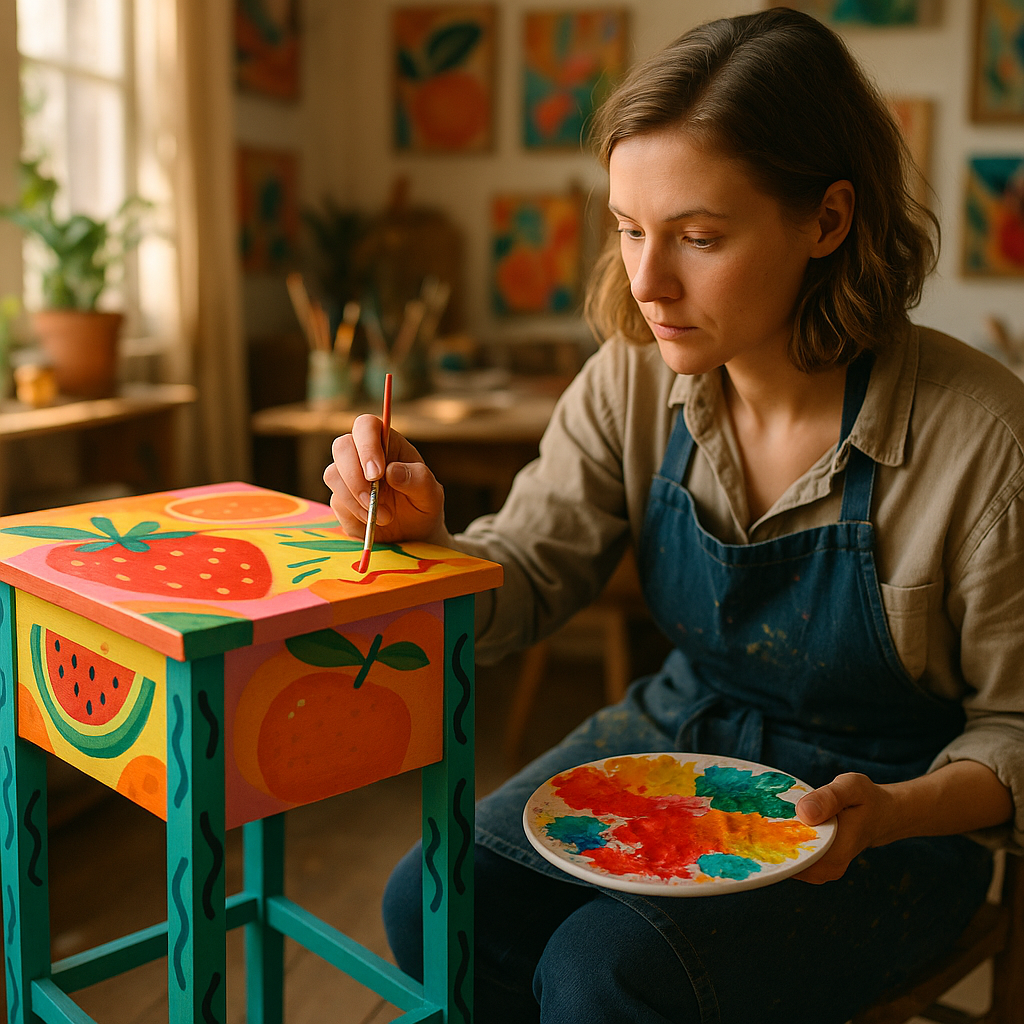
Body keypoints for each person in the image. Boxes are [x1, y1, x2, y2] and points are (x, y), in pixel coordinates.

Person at [324, 9, 1024, 1023]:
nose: (647, 284)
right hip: (679, 740)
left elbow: (1016, 726)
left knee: (600, 976)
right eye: (628, 227)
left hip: (890, 814)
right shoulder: (629, 383)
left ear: (827, 221)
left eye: (698, 237)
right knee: (433, 905)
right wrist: (424, 543)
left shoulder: (985, 441)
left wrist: (893, 813)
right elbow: (522, 565)